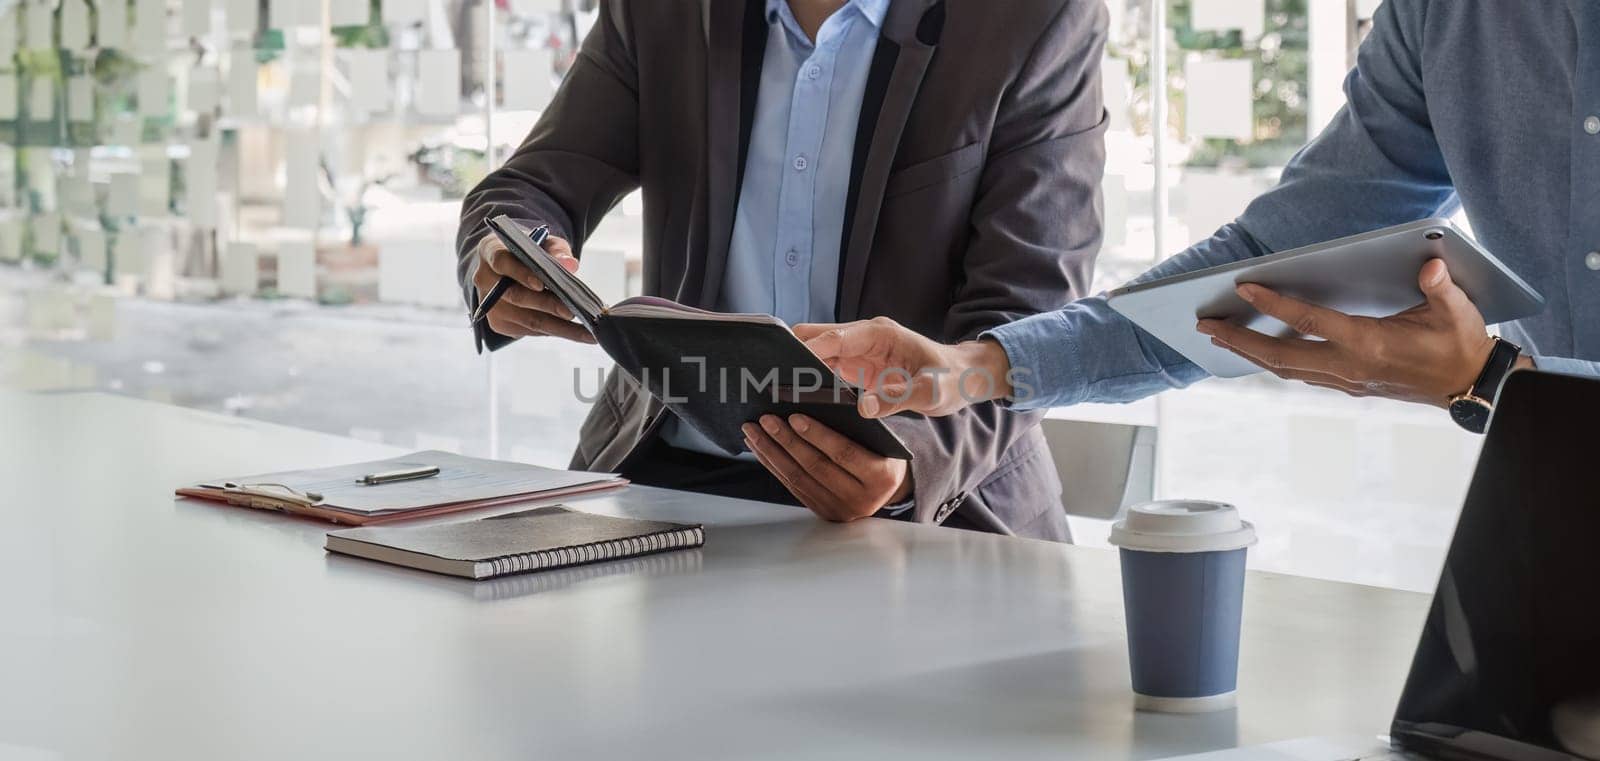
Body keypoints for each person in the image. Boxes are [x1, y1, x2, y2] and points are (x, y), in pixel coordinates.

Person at [455, 0, 1108, 540]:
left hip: (925, 514)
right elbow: (529, 186)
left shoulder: (1036, 19)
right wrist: (508, 255)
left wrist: (909, 461)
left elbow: (1030, 319)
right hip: (665, 489)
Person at [799, 0, 1600, 426]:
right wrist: (973, 368)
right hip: (1550, 530)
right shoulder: (1446, 18)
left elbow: (1495, 382)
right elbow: (1261, 268)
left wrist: (1495, 383)